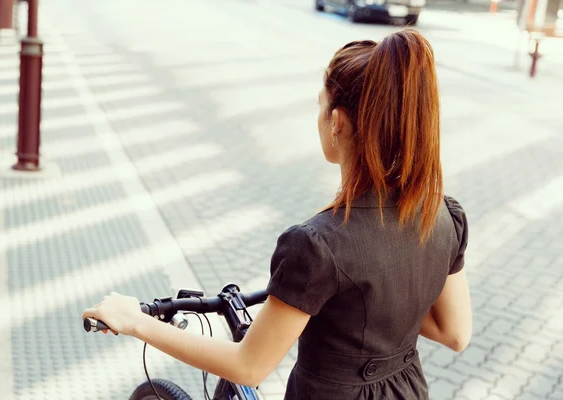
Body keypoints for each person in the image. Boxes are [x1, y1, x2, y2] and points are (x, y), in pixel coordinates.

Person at [83, 29, 472, 399]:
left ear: (336, 121)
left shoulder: (318, 246)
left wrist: (135, 321)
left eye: (320, 107)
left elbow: (249, 367)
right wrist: (369, 300)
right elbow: (454, 332)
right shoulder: (442, 214)